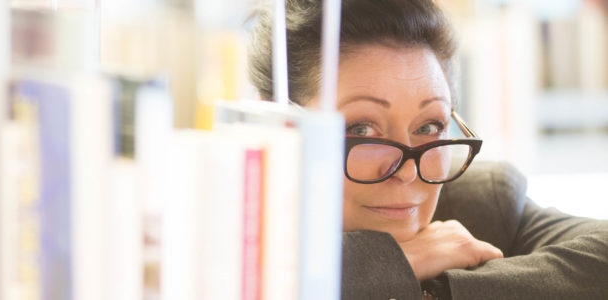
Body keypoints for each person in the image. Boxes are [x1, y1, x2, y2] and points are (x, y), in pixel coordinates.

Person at [248, 0, 608, 299]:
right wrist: (399, 262)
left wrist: (426, 289)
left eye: (428, 126)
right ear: (277, 129)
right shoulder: (214, 223)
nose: (406, 171)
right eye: (360, 128)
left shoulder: (480, 202)